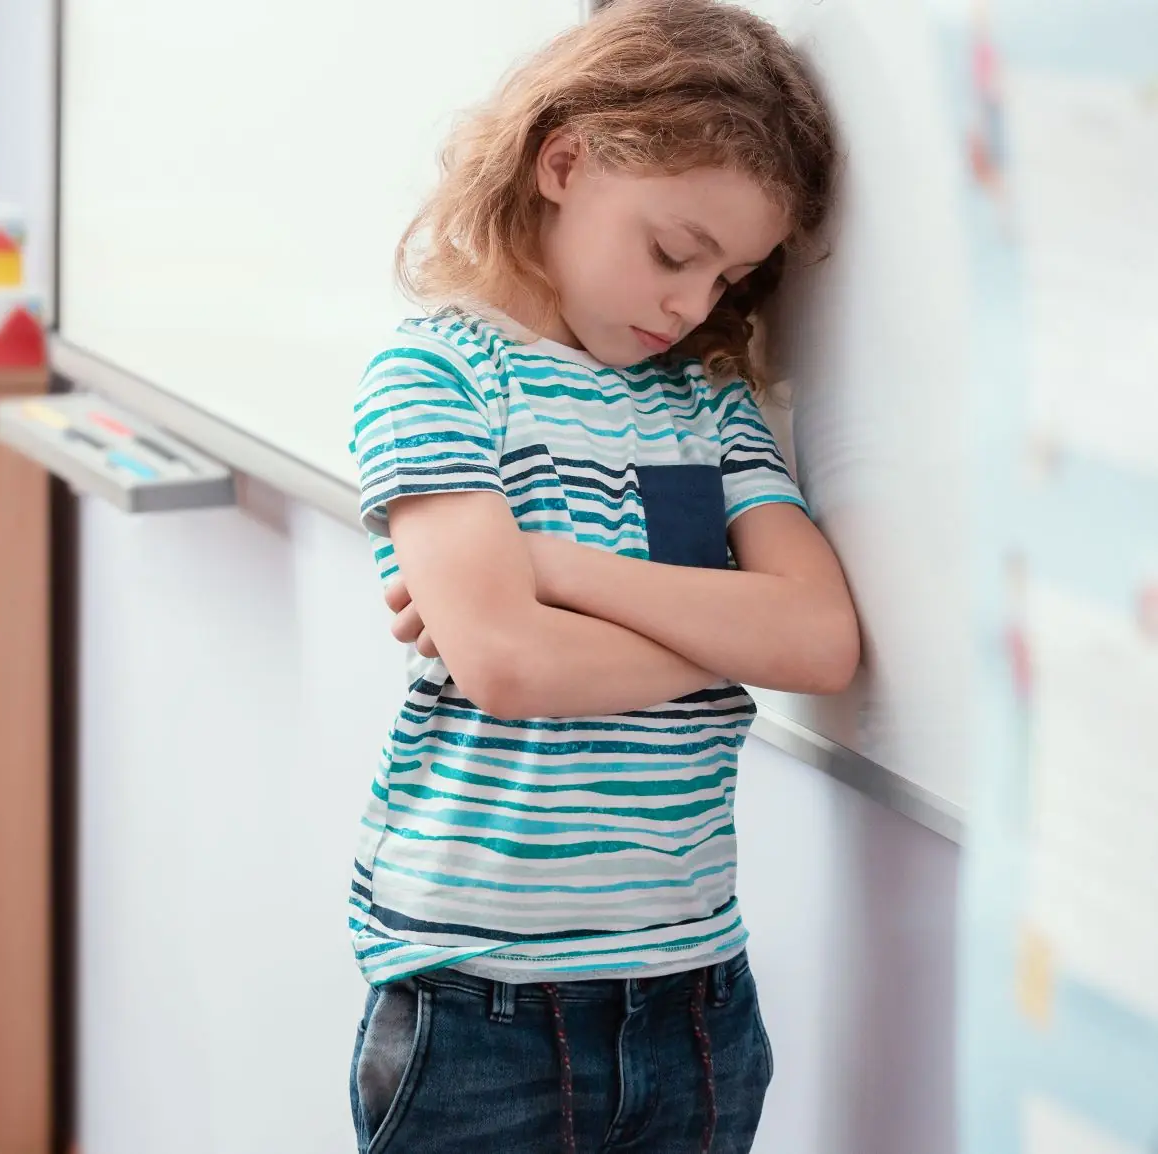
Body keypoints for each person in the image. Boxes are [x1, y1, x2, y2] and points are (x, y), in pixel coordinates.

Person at [345, 3, 859, 1152]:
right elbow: (512, 664)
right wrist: (727, 632)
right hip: (477, 1005)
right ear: (564, 163)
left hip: (695, 997)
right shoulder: (436, 375)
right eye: (674, 251)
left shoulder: (709, 406)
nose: (692, 303)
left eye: (730, 276)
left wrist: (552, 566)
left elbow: (820, 639)